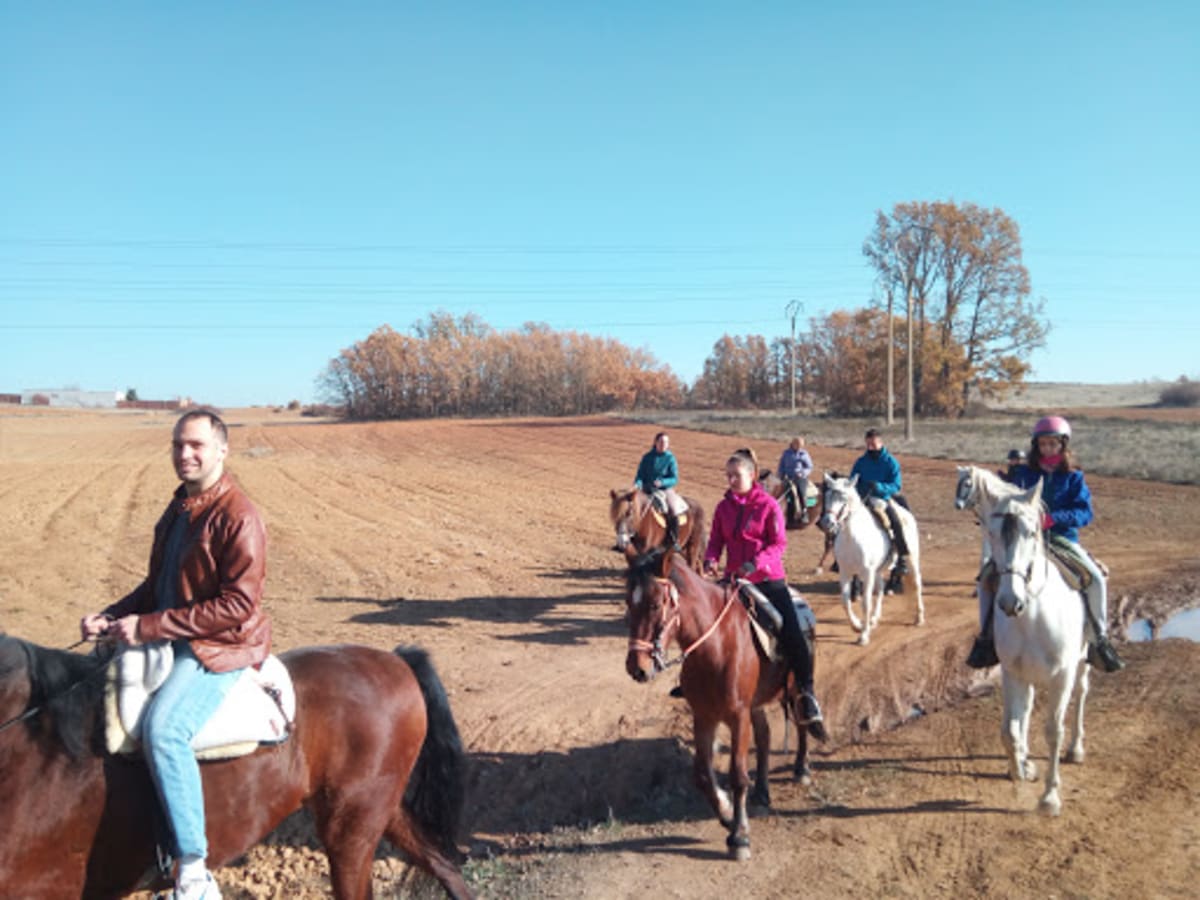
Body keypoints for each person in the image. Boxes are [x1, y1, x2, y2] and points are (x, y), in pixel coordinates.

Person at [80, 408, 271, 900]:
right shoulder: (180, 509)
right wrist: (110, 615)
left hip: (219, 647)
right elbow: (159, 586)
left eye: (196, 446)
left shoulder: (238, 515)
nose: (184, 454)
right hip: (174, 634)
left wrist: (145, 628)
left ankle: (193, 870)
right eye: (177, 445)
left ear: (222, 450)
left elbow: (237, 606)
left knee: (165, 730)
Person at [967, 415, 1124, 673]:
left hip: (1062, 539)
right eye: (1043, 444)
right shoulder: (1024, 474)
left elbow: (1084, 513)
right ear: (1035, 445)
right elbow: (1006, 500)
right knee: (986, 579)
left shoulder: (1074, 477)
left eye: (1053, 444)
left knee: (1095, 578)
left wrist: (1052, 519)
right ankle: (986, 638)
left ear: (1063, 446)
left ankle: (1099, 640)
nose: (1048, 449)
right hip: (1025, 540)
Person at [704, 447, 825, 737]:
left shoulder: (769, 506)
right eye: (728, 475)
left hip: (768, 581)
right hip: (733, 580)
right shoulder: (723, 507)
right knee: (704, 625)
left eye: (737, 475)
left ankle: (806, 692)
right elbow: (716, 540)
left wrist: (755, 562)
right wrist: (710, 559)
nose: (731, 480)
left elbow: (779, 544)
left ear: (752, 475)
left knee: (793, 632)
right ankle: (698, 683)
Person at [849, 428, 910, 591]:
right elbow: (852, 480)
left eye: (873, 444)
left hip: (883, 498)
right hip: (863, 500)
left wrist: (880, 487)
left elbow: (896, 485)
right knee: (846, 523)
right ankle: (842, 560)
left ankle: (902, 559)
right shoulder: (861, 462)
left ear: (880, 443)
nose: (871, 448)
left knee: (895, 520)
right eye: (868, 444)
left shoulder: (890, 462)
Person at [632, 431, 687, 516]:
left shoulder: (670, 458)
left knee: (673, 510)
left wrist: (662, 482)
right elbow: (640, 475)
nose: (663, 444)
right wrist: (637, 484)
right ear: (655, 442)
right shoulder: (647, 457)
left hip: (664, 490)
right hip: (647, 489)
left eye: (666, 442)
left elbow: (674, 478)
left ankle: (672, 529)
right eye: (661, 442)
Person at [777, 436, 815, 525]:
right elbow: (781, 465)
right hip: (787, 477)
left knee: (801, 492)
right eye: (797, 444)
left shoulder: (804, 454)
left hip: (800, 478)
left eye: (800, 445)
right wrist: (781, 474)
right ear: (793, 443)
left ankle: (804, 513)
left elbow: (809, 467)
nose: (798, 446)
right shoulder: (786, 453)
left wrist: (802, 473)